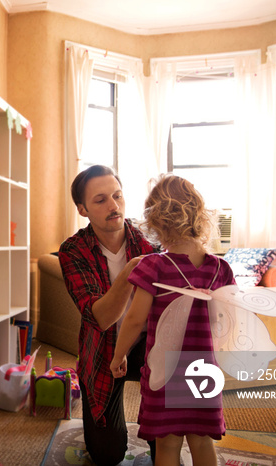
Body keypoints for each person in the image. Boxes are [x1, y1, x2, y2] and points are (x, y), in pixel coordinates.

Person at [109, 174, 235, 465]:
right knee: (202, 442)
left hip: (165, 375)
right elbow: (224, 322)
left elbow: (134, 320)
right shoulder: (221, 269)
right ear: (200, 217)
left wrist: (120, 355)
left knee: (166, 445)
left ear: (156, 223)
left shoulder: (154, 267)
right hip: (204, 372)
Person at [59, 165, 157, 465]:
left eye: (117, 195)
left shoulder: (150, 241)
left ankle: (161, 427)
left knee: (167, 442)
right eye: (100, 200)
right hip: (103, 349)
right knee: (107, 455)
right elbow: (99, 318)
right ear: (82, 209)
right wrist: (130, 271)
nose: (114, 206)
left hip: (149, 343)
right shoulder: (73, 251)